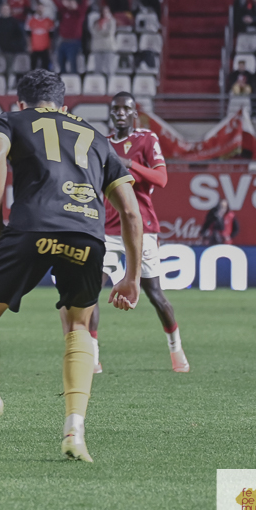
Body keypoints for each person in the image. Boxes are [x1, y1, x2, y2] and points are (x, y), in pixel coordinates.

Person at [0, 69, 142, 463]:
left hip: (31, 228)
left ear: (20, 102)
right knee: (78, 328)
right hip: (86, 236)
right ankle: (75, 431)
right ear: (64, 105)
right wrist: (132, 276)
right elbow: (130, 210)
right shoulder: (97, 137)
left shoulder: (13, 119)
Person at [83, 91, 190, 375]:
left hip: (142, 227)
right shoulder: (102, 144)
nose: (120, 113)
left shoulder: (146, 139)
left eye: (126, 108)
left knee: (154, 293)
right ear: (111, 113)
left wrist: (129, 164)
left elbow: (161, 178)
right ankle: (93, 358)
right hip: (107, 229)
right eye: (116, 109)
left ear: (134, 113)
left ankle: (176, 350)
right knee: (91, 291)